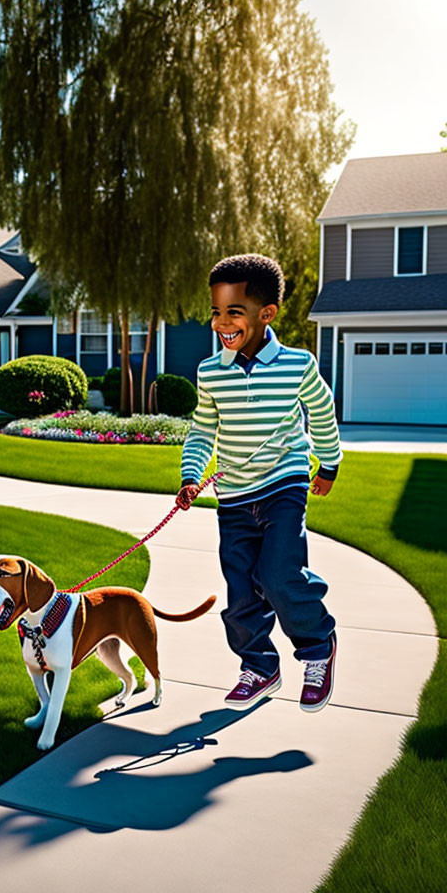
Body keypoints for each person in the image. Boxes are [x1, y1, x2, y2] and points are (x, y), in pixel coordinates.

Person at [176, 253, 341, 712]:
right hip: (232, 496)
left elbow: (322, 414)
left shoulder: (297, 365)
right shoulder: (211, 372)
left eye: (234, 312)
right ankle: (260, 665)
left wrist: (327, 464)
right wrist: (191, 476)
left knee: (278, 574)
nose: (221, 323)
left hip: (283, 484)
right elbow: (203, 430)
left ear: (265, 314)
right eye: (216, 311)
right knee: (241, 587)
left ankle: (317, 647)